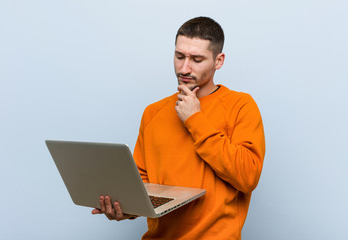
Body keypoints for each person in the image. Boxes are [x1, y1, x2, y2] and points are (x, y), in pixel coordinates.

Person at [92, 16, 265, 239]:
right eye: (179, 56)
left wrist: (194, 119)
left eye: (197, 59)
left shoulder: (241, 105)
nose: (184, 68)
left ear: (218, 61)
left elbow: (247, 176)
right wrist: (124, 209)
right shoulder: (153, 112)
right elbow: (141, 185)